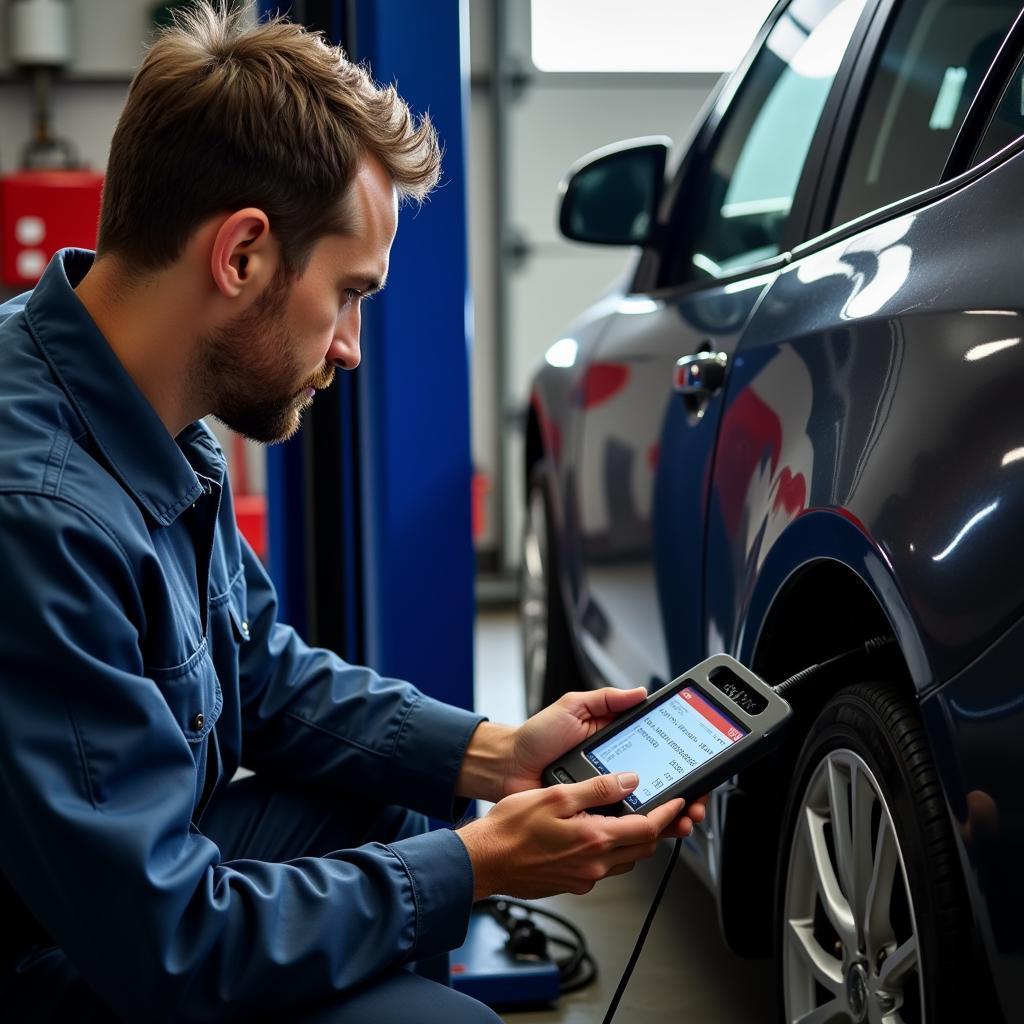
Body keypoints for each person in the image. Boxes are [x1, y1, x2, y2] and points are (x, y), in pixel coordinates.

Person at [0, 6, 705, 1022]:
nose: (350, 347)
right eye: (347, 294)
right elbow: (171, 941)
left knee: (400, 800)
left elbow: (255, 668)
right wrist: (475, 865)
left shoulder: (131, 388)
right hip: (68, 958)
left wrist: (493, 753)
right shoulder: (41, 517)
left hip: (111, 902)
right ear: (241, 254)